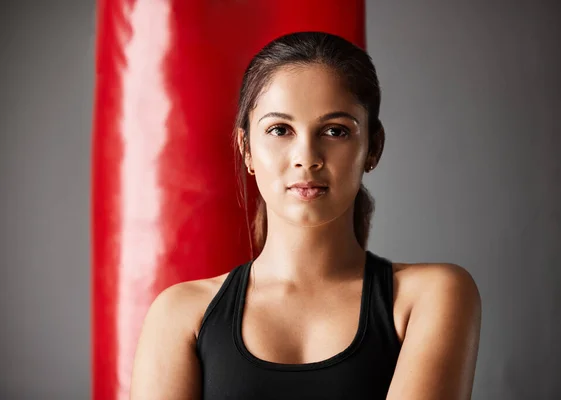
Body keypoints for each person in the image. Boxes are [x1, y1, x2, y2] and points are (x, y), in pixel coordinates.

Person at [130, 31, 481, 399]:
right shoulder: (180, 315)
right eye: (280, 130)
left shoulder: (430, 295)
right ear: (246, 148)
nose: (306, 156)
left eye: (335, 131)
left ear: (373, 147)